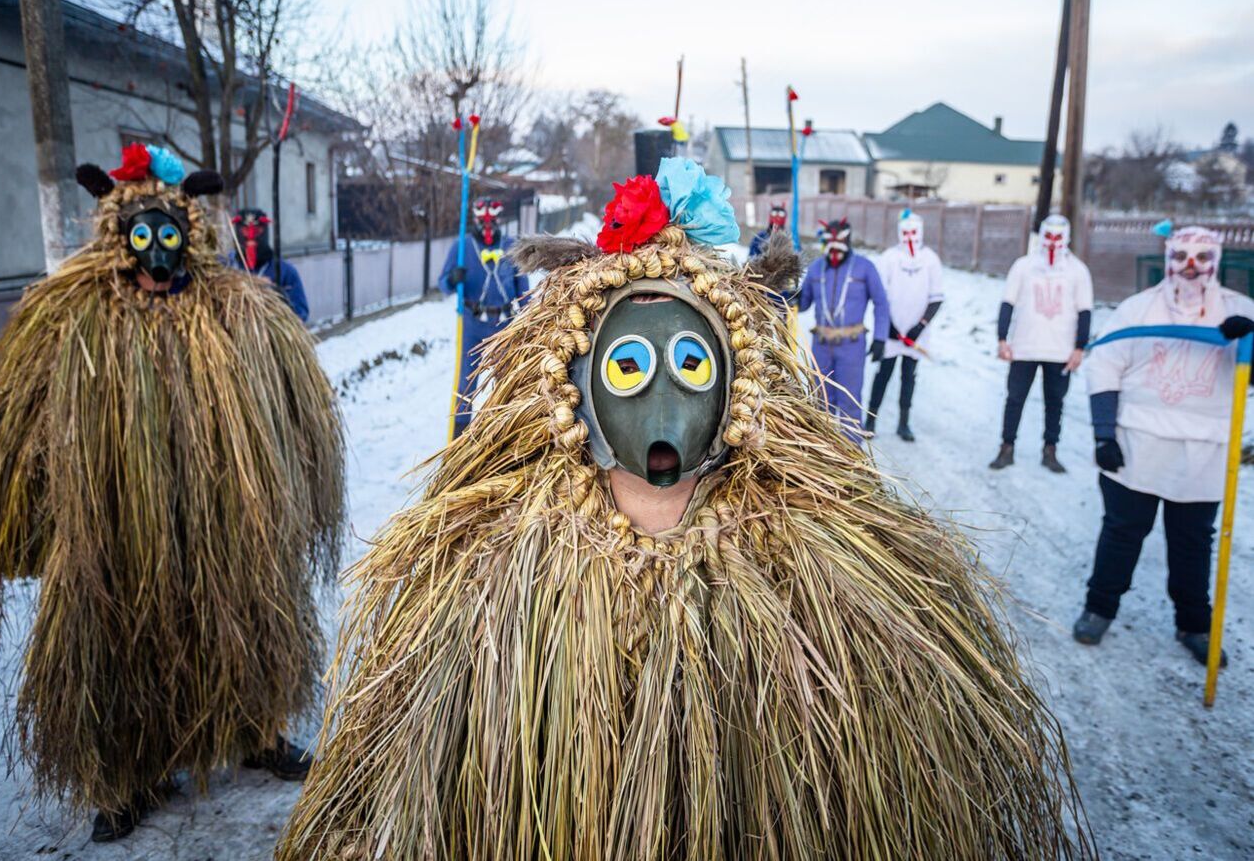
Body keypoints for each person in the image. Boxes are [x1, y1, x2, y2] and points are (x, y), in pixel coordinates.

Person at [277, 158, 1092, 861]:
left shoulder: (803, 559)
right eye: (628, 367)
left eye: (693, 364)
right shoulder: (496, 568)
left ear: (737, 382)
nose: (663, 407)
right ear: (578, 384)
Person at [0, 144, 345, 841]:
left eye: (170, 235)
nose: (157, 256)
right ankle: (130, 776)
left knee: (244, 618)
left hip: (224, 516)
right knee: (125, 642)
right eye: (142, 237)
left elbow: (298, 403)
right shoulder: (76, 319)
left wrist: (296, 486)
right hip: (119, 527)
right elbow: (22, 421)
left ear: (188, 235)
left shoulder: (239, 311)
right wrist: (30, 506)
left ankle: (254, 729)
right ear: (120, 239)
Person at [1073, 224, 1254, 665]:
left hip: (1205, 453)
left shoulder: (1240, 310)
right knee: (1121, 533)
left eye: (1201, 258)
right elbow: (1104, 367)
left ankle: (1194, 623)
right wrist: (1104, 433)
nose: (1191, 267)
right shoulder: (1139, 309)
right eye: (1181, 257)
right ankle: (1099, 608)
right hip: (1137, 445)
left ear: (1217, 260)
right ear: (1168, 258)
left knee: (1193, 543)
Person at [989, 213, 1092, 472]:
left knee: (1055, 401)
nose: (1053, 242)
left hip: (1060, 349)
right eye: (1049, 236)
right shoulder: (1023, 266)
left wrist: (1080, 347)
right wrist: (1002, 339)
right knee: (1015, 398)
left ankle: (1050, 449)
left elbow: (1085, 311)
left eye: (1059, 237)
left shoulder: (1077, 271)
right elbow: (1008, 303)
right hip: (1024, 347)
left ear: (1066, 238)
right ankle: (1007, 447)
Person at [438, 199, 529, 437]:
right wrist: (452, 279)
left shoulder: (511, 246)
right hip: (473, 323)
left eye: (492, 221)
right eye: (483, 221)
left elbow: (524, 288)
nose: (488, 226)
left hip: (505, 323)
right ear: (476, 220)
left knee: (508, 377)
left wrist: (530, 316)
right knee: (466, 381)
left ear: (500, 220)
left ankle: (506, 431)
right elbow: (443, 284)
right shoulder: (462, 247)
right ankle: (459, 434)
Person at [798, 217, 889, 436]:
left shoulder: (864, 267)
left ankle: (850, 458)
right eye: (830, 241)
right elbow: (803, 303)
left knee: (849, 403)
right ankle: (822, 454)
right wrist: (788, 294)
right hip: (820, 346)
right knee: (820, 402)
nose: (835, 247)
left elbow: (881, 302)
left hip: (851, 346)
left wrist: (880, 338)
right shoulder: (816, 268)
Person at [866, 209, 944, 441]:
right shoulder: (889, 257)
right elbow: (879, 294)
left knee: (909, 377)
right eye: (906, 232)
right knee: (883, 375)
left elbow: (936, 298)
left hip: (916, 335)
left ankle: (904, 423)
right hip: (891, 331)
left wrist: (919, 327)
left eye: (914, 232)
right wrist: (887, 326)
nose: (910, 236)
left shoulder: (930, 259)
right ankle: (870, 420)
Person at [227, 207, 310, 321]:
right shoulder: (226, 267)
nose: (251, 237)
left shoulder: (285, 271)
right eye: (245, 231)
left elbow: (302, 314)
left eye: (257, 231)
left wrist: (281, 299)